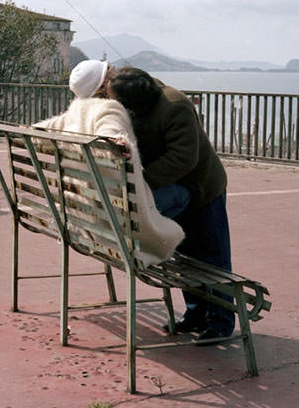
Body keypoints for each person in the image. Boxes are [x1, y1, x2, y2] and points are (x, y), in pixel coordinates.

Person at [106, 67, 235, 342]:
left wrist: (143, 183)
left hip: (202, 189)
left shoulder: (175, 106)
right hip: (174, 188)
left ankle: (221, 322)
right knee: (185, 253)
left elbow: (183, 158)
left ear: (136, 101)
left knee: (213, 256)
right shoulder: (139, 105)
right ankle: (196, 313)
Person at [34, 60, 184, 265]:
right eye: (111, 71)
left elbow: (40, 131)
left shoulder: (76, 109)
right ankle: (184, 256)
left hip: (84, 211)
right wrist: (116, 143)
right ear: (104, 83)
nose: (117, 72)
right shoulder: (110, 108)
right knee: (185, 194)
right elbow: (108, 135)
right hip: (117, 214)